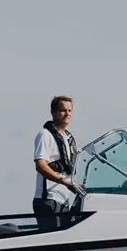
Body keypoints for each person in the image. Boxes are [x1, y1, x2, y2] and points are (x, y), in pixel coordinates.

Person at [32, 95, 83, 230]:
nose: (67, 114)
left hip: (63, 200)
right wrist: (62, 180)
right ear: (53, 112)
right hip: (48, 200)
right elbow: (40, 165)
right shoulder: (45, 135)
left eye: (69, 111)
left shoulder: (68, 138)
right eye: (63, 110)